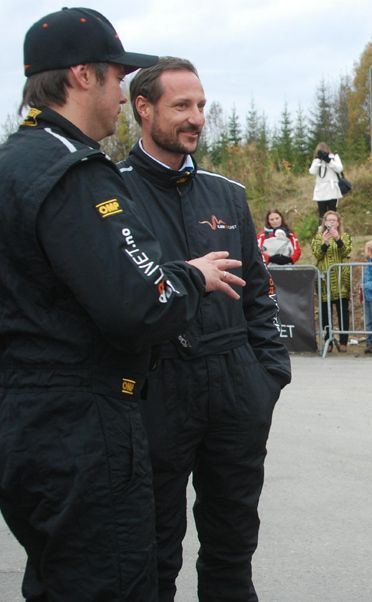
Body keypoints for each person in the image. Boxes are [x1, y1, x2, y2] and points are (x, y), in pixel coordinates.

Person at [0, 12, 244, 600]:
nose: (120, 94)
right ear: (82, 76)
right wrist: (191, 276)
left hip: (26, 418)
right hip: (80, 425)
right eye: (115, 78)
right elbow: (143, 303)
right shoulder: (74, 172)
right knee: (111, 581)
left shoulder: (14, 162)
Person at [121, 57, 292, 601]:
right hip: (156, 386)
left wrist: (266, 378)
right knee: (153, 548)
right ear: (143, 108)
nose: (196, 117)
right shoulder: (111, 192)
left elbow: (260, 294)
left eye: (201, 105)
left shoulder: (226, 194)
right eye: (181, 106)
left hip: (235, 386)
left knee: (232, 546)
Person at [312, 210, 353, 352]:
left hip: (341, 279)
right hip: (325, 280)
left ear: (338, 222)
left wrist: (337, 239)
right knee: (325, 313)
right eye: (328, 220)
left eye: (333, 220)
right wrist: (325, 243)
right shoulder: (318, 237)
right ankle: (328, 341)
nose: (330, 222)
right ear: (324, 222)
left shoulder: (345, 236)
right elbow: (317, 254)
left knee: (343, 312)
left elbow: (346, 251)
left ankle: (343, 342)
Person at [309, 141, 344, 217]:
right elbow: (312, 171)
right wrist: (318, 160)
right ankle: (322, 225)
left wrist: (329, 161)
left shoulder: (334, 157)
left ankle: (333, 224)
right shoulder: (317, 160)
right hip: (321, 192)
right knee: (322, 215)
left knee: (333, 213)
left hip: (332, 190)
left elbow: (339, 169)